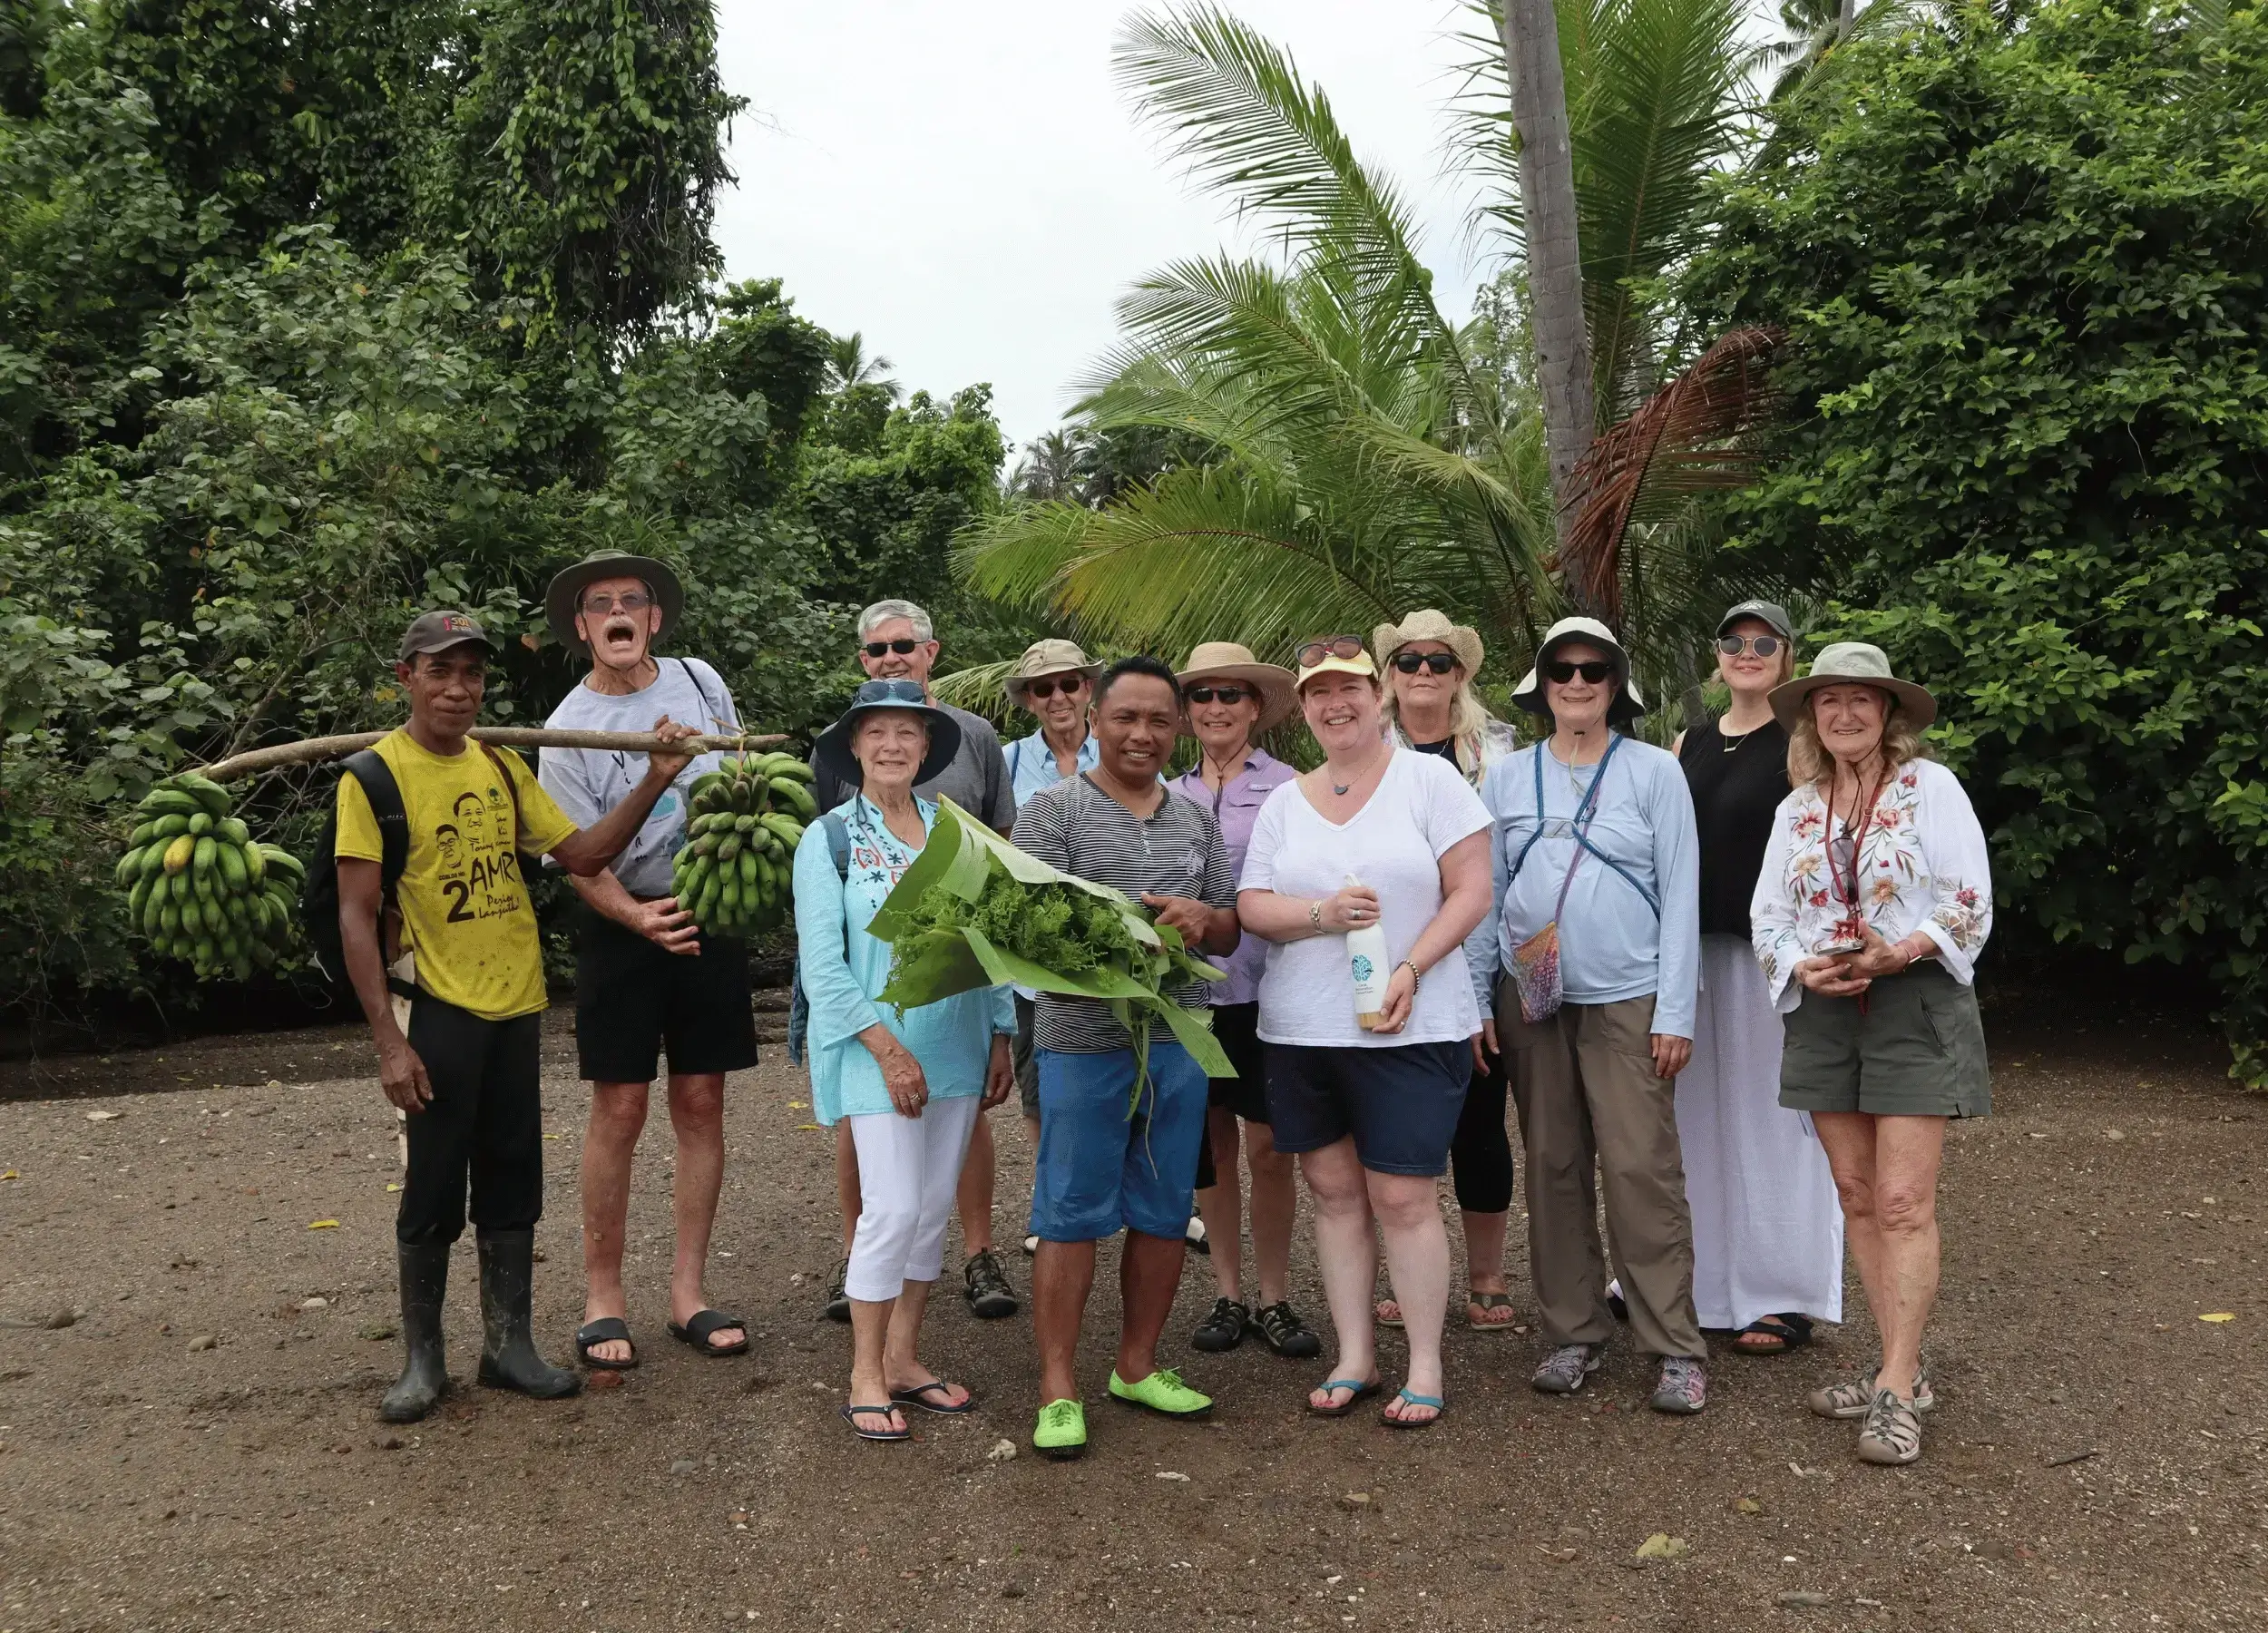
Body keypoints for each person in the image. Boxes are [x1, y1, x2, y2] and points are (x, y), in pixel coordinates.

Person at [337, 611, 699, 1424]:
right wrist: (389, 1044)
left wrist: (654, 778)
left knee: (512, 1178)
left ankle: (509, 1345)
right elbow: (356, 919)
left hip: (517, 1004)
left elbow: (581, 856)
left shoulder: (499, 767)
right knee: (433, 1184)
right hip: (435, 1006)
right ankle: (423, 1360)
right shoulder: (374, 778)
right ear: (407, 678)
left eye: (471, 674)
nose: (459, 689)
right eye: (440, 672)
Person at [1237, 638, 1493, 1430]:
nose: (1334, 704)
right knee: (1335, 1193)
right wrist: (1321, 915)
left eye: (1348, 688)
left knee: (1404, 1194)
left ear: (1377, 695)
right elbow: (1253, 906)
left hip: (1411, 1026)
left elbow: (1473, 890)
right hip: (1305, 1029)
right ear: (1303, 708)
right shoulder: (1286, 800)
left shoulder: (1431, 780)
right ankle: (1354, 1356)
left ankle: (1424, 1364)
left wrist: (1411, 966)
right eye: (1319, 693)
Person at [1751, 641, 1992, 1466]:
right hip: (1826, 1009)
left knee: (1902, 1203)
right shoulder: (1798, 808)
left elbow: (1969, 900)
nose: (1846, 713)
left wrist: (1900, 950)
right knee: (1855, 1194)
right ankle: (1903, 1369)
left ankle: (1895, 1385)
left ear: (1888, 713)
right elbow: (1769, 914)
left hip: (1913, 999)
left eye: (1862, 699)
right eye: (1830, 701)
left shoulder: (1933, 789)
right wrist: (1800, 964)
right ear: (1812, 718)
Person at [1469, 616, 1708, 1413]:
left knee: (1642, 1165)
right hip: (1532, 998)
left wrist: (1676, 1009)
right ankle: (1574, 1331)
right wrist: (1479, 999)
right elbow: (1488, 899)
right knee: (1554, 1160)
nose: (1577, 684)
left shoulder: (1651, 772)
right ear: (1542, 685)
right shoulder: (1504, 779)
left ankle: (1673, 1343)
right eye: (1562, 671)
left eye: (1593, 671)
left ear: (1616, 685)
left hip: (1628, 997)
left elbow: (1682, 896)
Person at [1012, 657, 1241, 1460]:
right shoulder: (1051, 814)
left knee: (1161, 1207)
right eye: (1126, 719)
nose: (1141, 734)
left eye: (1158, 721)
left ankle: (1137, 1367)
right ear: (1094, 719)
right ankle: (1058, 1387)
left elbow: (1229, 929)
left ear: (1177, 730)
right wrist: (1117, 937)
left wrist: (1200, 917)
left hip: (1179, 1039)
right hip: (1082, 1042)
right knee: (1069, 1214)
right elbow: (1018, 924)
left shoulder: (1195, 821)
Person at [536, 551, 759, 1372]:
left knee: (702, 1102)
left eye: (636, 600)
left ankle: (689, 1293)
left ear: (655, 619)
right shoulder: (564, 730)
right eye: (602, 604)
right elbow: (578, 857)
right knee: (619, 1109)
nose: (620, 611)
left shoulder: (701, 682)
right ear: (584, 628)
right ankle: (603, 1297)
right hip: (622, 925)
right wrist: (638, 918)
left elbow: (738, 776)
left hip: (710, 912)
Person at [796, 680, 1018, 1440]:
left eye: (908, 734)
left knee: (929, 1211)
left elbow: (985, 946)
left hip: (955, 1045)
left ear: (927, 749)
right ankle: (863, 1371)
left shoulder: (955, 833)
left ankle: (905, 1357)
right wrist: (887, 1051)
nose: (893, 746)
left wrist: (998, 1033)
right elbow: (824, 970)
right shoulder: (829, 838)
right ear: (854, 746)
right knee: (888, 1210)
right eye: (878, 732)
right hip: (874, 1051)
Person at [1673, 601, 1843, 1356]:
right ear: (1718, 655)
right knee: (1695, 1123)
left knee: (1778, 1127)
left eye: (1762, 642)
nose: (1746, 651)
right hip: (1692, 956)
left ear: (1786, 658)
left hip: (1772, 959)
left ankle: (1784, 1291)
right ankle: (1704, 1282)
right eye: (1733, 639)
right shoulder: (1688, 743)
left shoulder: (1802, 747)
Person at [1164, 641, 1318, 1360]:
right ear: (1187, 711)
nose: (1217, 708)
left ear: (1256, 707)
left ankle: (1276, 1295)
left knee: (1270, 1148)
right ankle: (1228, 1292)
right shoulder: (1167, 796)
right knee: (1213, 1146)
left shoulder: (1294, 788)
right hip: (1192, 997)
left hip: (1273, 991)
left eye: (1232, 695)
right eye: (1203, 696)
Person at [1372, 610, 1522, 1335]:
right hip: (1389, 959)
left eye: (1438, 662)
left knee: (1480, 1120)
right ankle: (1409, 1269)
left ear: (1460, 674)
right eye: (1409, 661)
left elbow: (1497, 874)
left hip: (1479, 957)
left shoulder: (1500, 756)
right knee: (1399, 1122)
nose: (1423, 673)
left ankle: (1488, 1273)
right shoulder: (1363, 751)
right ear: (1388, 675)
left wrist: (1475, 986)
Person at [997, 640, 1103, 1236]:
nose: (1058, 697)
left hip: (1110, 943)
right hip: (1033, 957)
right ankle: (1050, 1203)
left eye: (1069, 684)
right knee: (1040, 1083)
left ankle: (1148, 1194)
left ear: (1089, 689)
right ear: (1029, 700)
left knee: (1126, 1069)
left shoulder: (1122, 750)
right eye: (1044, 688)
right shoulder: (1007, 762)